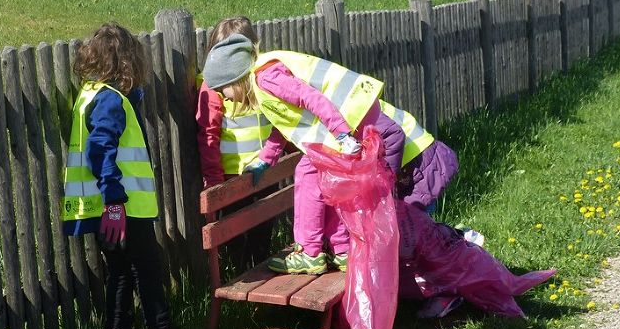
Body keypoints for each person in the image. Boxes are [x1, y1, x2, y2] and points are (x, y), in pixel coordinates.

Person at [202, 34, 405, 275]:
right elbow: (284, 123)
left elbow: (312, 98)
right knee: (330, 184)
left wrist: (341, 132)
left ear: (235, 78)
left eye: (223, 89)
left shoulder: (266, 78)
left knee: (306, 173)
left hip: (347, 120)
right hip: (349, 119)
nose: (224, 97)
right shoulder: (265, 82)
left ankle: (308, 252)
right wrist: (265, 160)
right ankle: (341, 250)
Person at [61, 23, 175, 329]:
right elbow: (100, 147)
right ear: (127, 62)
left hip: (108, 207)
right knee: (148, 271)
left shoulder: (91, 95)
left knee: (121, 273)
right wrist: (114, 202)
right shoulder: (111, 101)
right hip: (124, 209)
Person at [195, 18, 286, 267]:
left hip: (265, 171)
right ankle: (239, 278)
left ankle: (258, 273)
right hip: (232, 176)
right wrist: (214, 181)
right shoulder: (213, 86)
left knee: (263, 227)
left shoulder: (259, 77)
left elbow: (279, 117)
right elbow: (209, 134)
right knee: (234, 233)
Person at [378, 99, 459, 214]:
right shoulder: (361, 96)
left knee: (420, 219)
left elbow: (394, 136)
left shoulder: (352, 107)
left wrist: (386, 177)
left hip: (415, 158)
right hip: (417, 152)